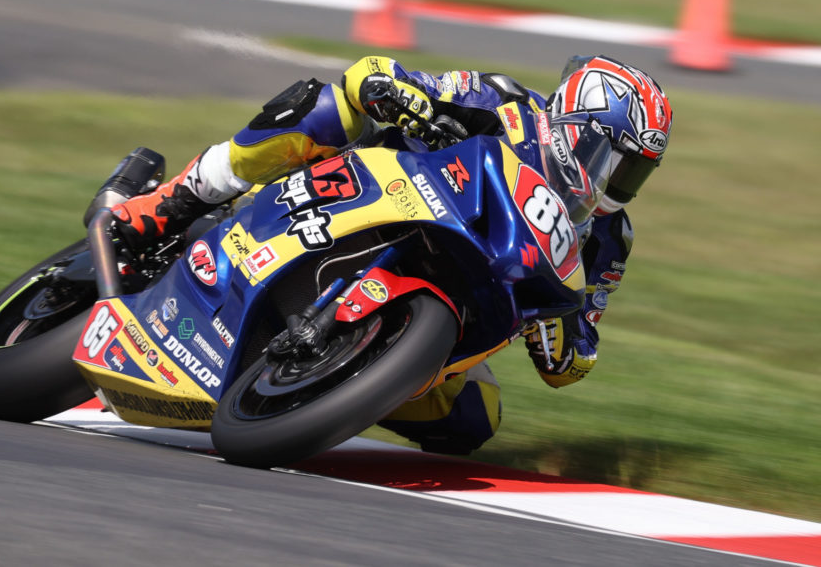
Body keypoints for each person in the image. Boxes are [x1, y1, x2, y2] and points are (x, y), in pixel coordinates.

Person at [109, 54, 673, 455]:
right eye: (612, 159)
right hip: (365, 197)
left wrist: (561, 328)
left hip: (459, 299)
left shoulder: (606, 240)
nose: (615, 183)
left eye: (634, 173)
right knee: (326, 107)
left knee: (477, 419)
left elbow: (572, 363)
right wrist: (404, 97)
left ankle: (335, 385)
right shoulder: (504, 101)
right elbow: (373, 73)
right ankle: (176, 202)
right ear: (574, 128)